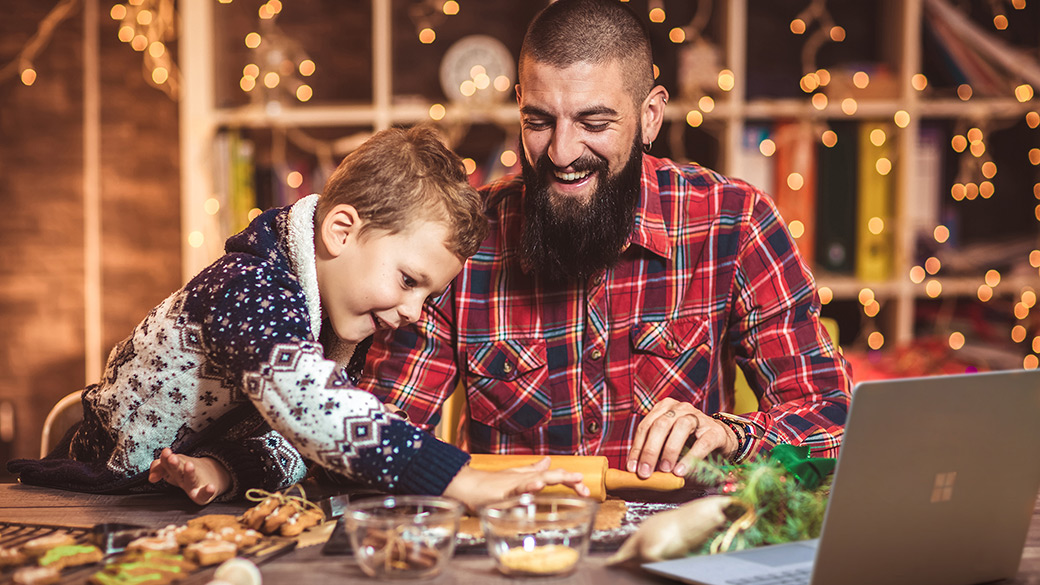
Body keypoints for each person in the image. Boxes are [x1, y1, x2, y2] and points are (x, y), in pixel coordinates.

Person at [360, 0, 853, 480]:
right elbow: (377, 435)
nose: (561, 152)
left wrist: (730, 436)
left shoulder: (735, 222)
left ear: (650, 117)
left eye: (594, 123)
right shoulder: (465, 238)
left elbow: (832, 419)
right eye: (538, 121)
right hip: (516, 545)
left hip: (677, 543)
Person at [8, 125, 588, 509]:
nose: (413, 311)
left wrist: (225, 468)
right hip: (81, 497)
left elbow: (299, 442)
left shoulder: (337, 333)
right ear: (341, 231)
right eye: (408, 280)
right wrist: (460, 478)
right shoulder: (246, 287)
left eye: (427, 296)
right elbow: (310, 407)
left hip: (153, 509)